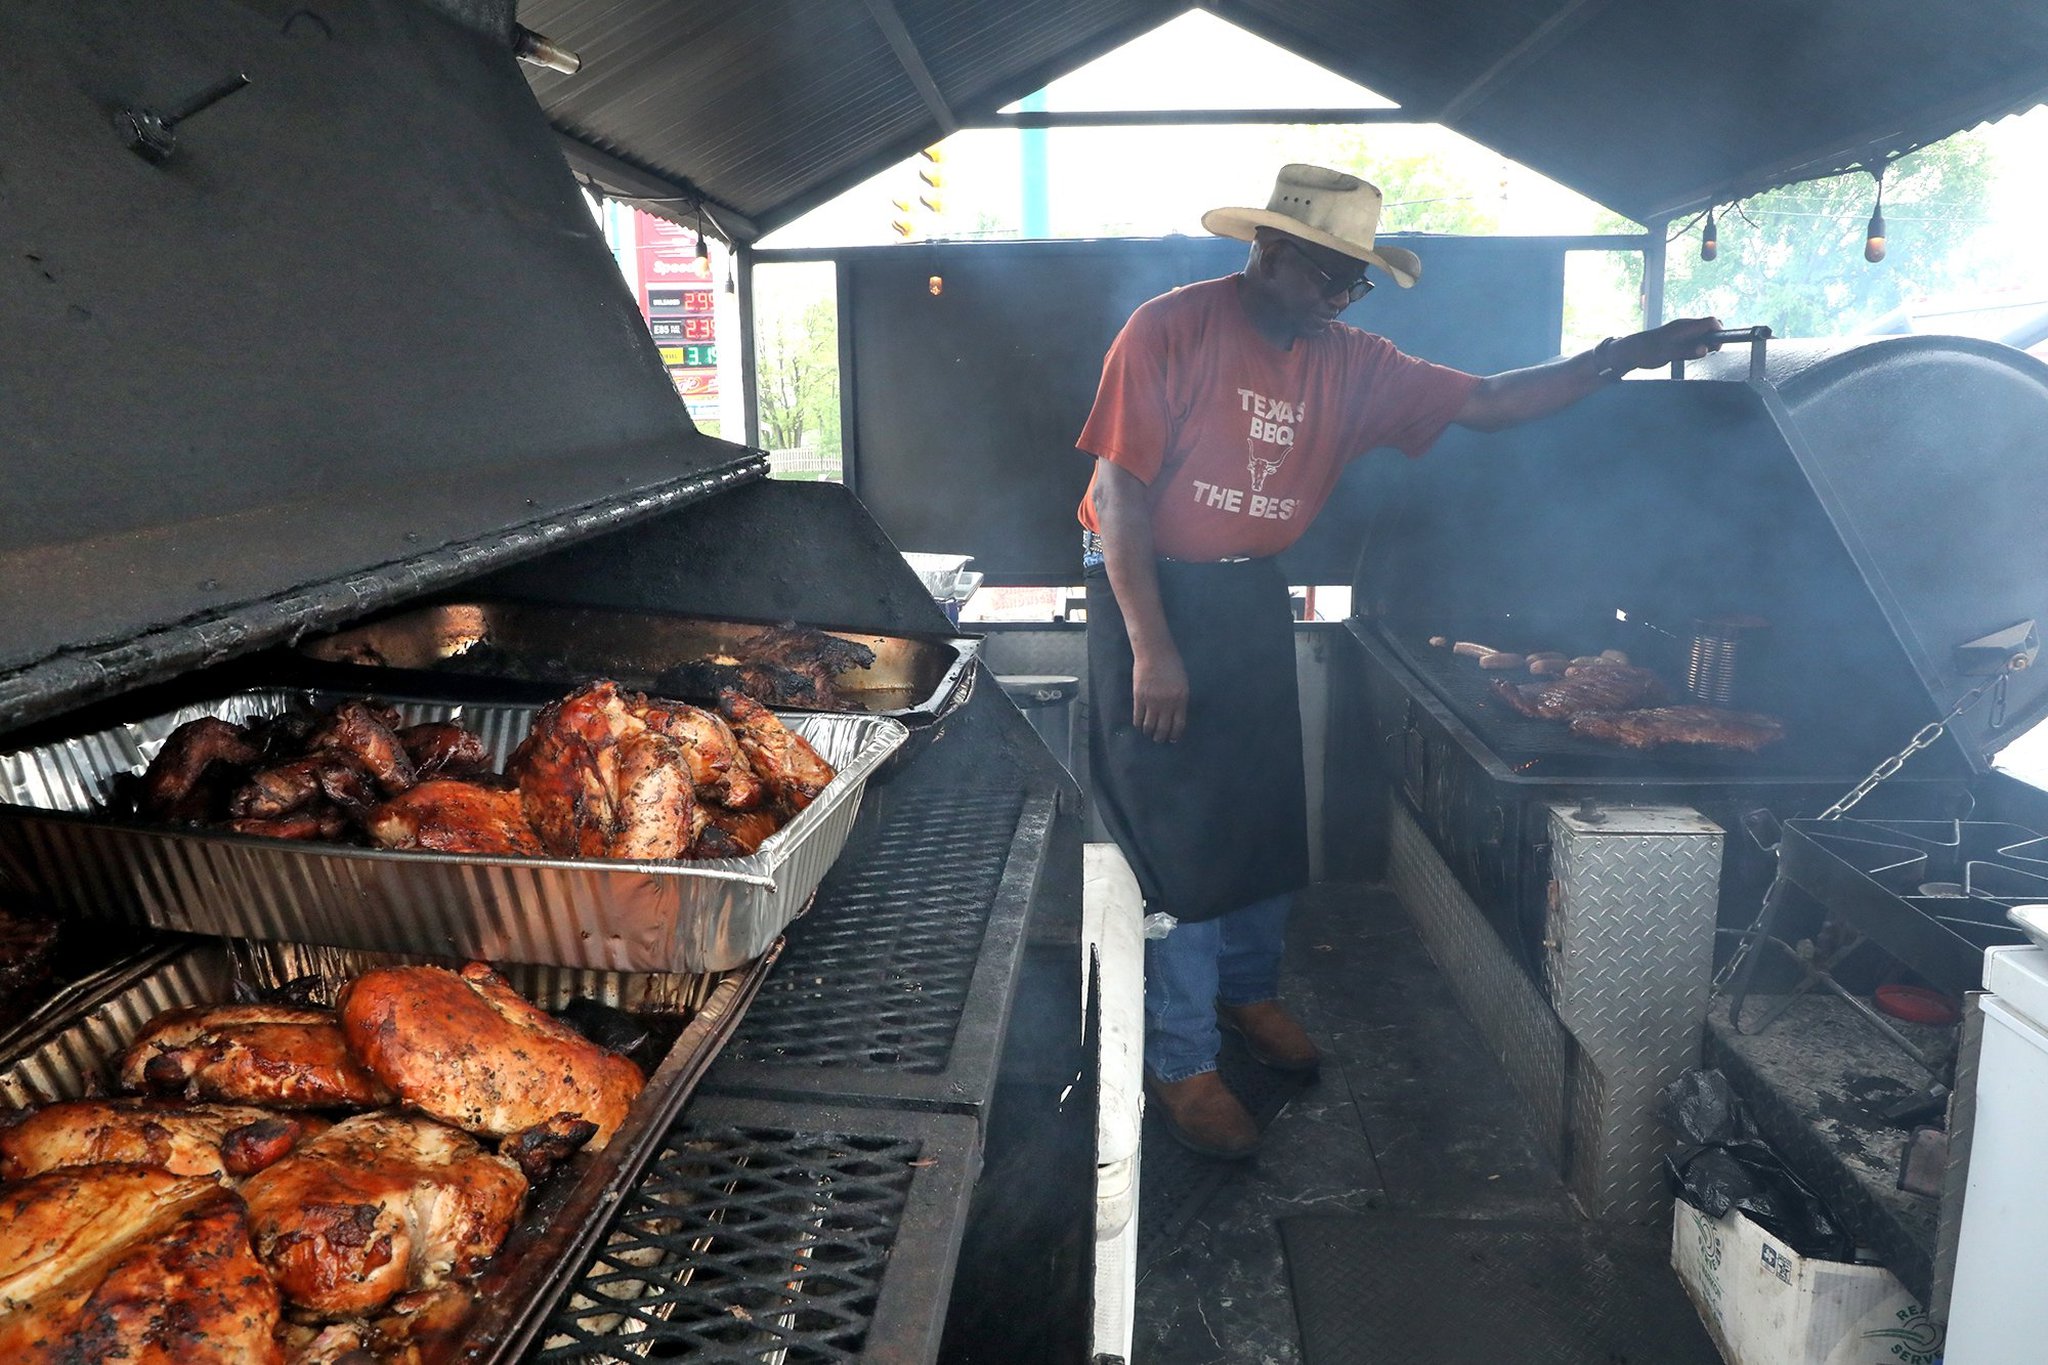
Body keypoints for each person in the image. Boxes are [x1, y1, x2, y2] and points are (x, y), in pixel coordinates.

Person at [1076, 163, 1722, 1159]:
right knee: (1180, 842)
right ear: (1267, 251)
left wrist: (1621, 355)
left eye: (1354, 283)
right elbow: (1117, 495)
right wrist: (1151, 649)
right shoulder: (1168, 327)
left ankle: (1248, 994)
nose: (1340, 297)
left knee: (1260, 819)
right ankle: (1179, 1059)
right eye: (1327, 276)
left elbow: (1495, 400)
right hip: (1150, 595)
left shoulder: (1353, 361)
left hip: (1248, 591)